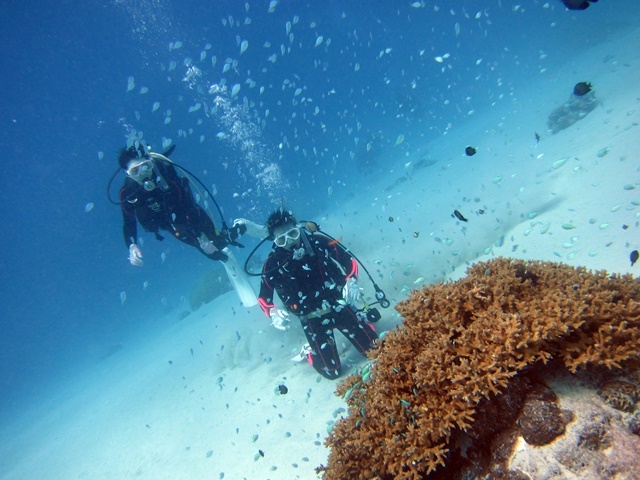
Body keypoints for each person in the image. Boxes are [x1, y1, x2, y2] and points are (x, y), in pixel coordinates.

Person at [117, 142, 263, 306]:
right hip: (172, 226)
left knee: (219, 242)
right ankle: (224, 258)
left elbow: (185, 197)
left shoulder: (163, 171)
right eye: (135, 171)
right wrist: (132, 245)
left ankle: (241, 226)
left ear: (151, 162)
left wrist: (199, 234)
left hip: (192, 214)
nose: (143, 173)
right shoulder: (128, 193)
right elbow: (128, 221)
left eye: (146, 166)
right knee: (212, 254)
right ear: (127, 174)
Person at [257, 208, 378, 379]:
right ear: (274, 241)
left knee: (374, 350)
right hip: (312, 318)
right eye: (282, 240)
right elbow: (263, 297)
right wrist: (272, 312)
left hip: (339, 305)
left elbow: (349, 260)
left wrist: (351, 280)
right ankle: (309, 353)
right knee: (332, 372)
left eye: (292, 234)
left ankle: (364, 322)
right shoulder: (272, 264)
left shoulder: (319, 242)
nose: (290, 242)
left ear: (298, 228)